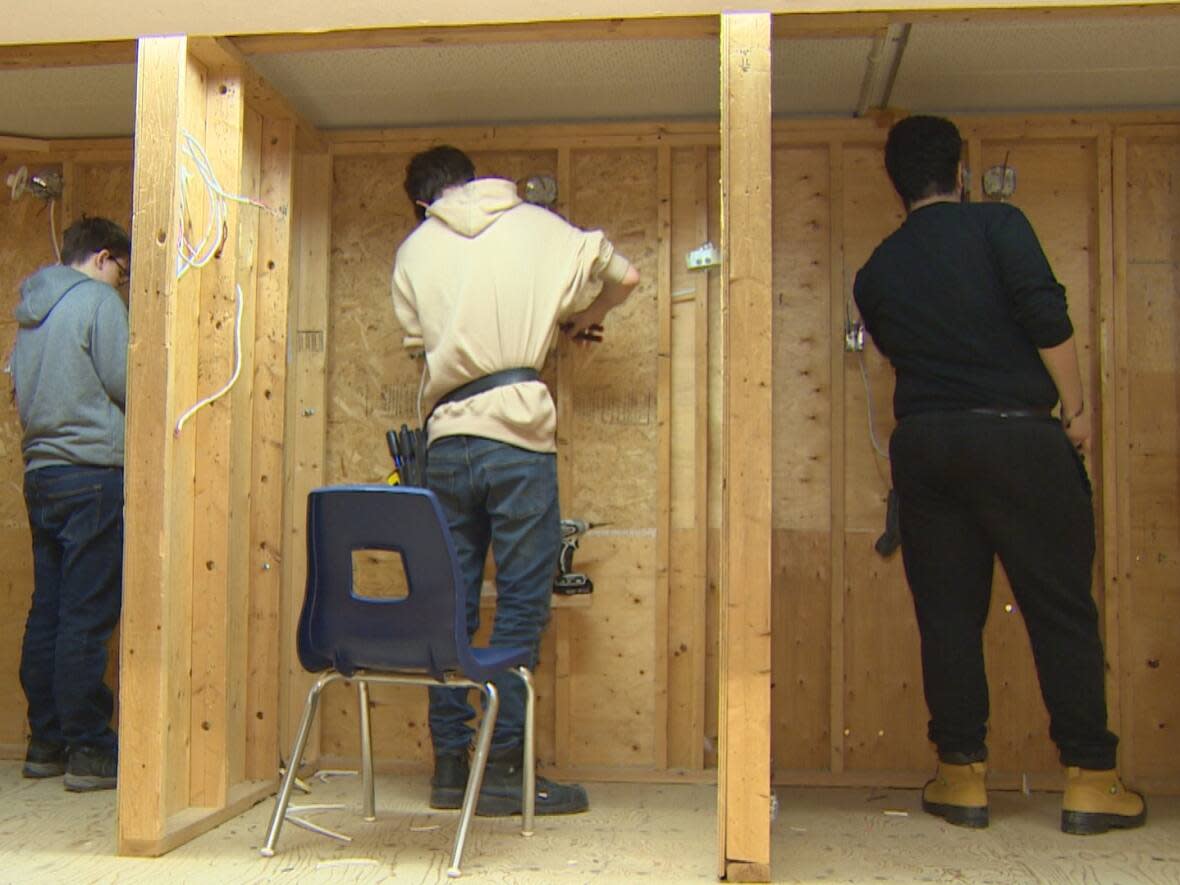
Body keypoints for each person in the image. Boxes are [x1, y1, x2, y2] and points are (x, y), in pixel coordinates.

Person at [853, 116, 1145, 836]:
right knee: (1059, 608)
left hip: (925, 446)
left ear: (895, 184)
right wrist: (1076, 409)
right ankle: (1090, 778)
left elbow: (897, 353)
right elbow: (1047, 318)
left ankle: (960, 775)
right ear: (961, 170)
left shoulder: (876, 271)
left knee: (948, 614)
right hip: (1017, 436)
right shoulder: (999, 226)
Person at [391, 146, 639, 816]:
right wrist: (583, 319)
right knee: (523, 606)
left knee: (452, 607)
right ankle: (502, 771)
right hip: (519, 435)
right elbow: (625, 275)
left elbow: (422, 345)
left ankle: (449, 768)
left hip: (445, 440)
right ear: (474, 181)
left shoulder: (414, 249)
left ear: (423, 202)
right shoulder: (538, 223)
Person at [10, 215, 130, 792]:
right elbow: (127, 382)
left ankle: (46, 741)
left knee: (49, 611)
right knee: (86, 613)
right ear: (103, 258)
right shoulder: (98, 303)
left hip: (42, 475)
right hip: (92, 474)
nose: (121, 285)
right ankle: (89, 749)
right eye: (121, 273)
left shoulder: (32, 312)